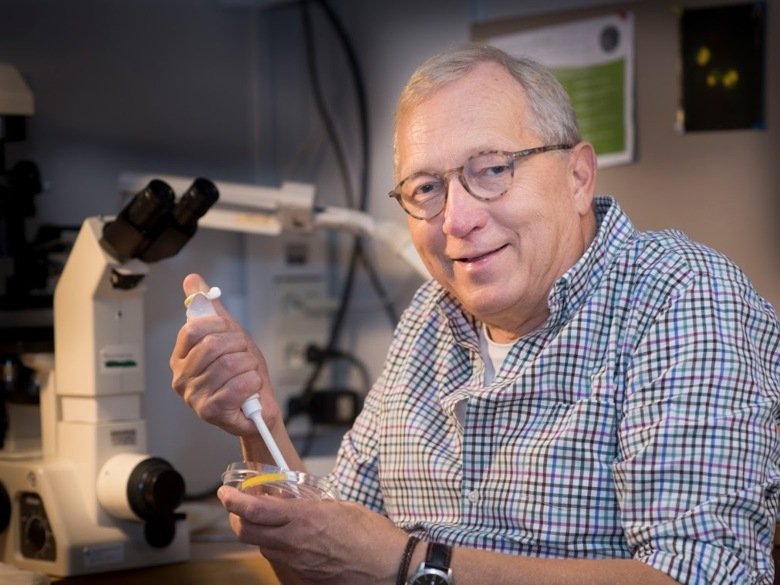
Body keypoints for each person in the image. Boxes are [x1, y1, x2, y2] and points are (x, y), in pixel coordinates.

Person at [169, 43, 780, 585]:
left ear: (577, 175)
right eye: (426, 189)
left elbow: (705, 574)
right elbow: (332, 563)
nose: (456, 220)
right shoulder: (430, 318)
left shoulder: (682, 297)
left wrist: (411, 564)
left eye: (491, 170)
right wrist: (260, 423)